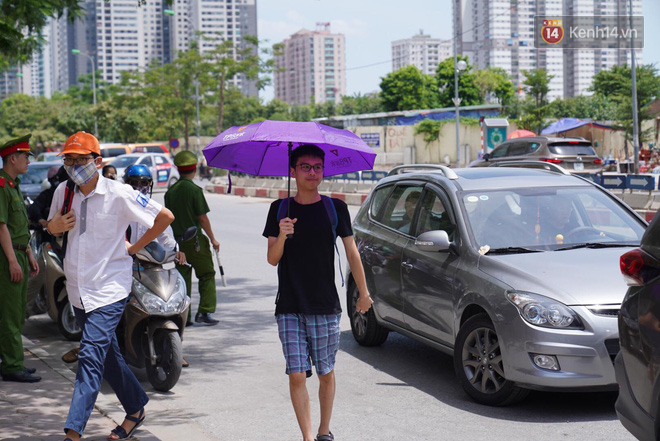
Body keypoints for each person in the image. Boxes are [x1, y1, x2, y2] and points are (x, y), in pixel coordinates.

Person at [46, 132, 174, 441]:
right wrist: (55, 227)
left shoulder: (120, 193)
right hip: (78, 289)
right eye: (69, 160)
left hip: (110, 289)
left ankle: (73, 431)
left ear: (98, 162)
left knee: (90, 357)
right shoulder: (63, 191)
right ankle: (136, 407)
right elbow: (50, 226)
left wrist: (133, 248)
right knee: (107, 357)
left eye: (81, 160)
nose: (75, 166)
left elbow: (164, 217)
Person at [262, 144, 373, 441]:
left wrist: (364, 292)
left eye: (317, 167)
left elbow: (352, 252)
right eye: (305, 167)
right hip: (289, 304)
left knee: (325, 372)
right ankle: (308, 436)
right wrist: (282, 235)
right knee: (296, 373)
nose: (312, 173)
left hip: (324, 304)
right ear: (293, 171)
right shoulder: (279, 210)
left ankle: (325, 430)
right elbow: (272, 258)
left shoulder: (334, 208)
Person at [0, 134, 41, 383]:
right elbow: (2, 226)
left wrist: (29, 254)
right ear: (12, 158)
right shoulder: (2, 186)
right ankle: (12, 366)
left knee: (17, 312)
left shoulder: (13, 186)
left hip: (19, 253)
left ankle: (12, 360)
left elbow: (19, 227)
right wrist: (13, 261)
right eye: (25, 156)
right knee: (11, 314)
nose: (28, 160)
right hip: (8, 257)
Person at [165, 150, 220, 326]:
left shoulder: (170, 192)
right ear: (194, 169)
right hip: (196, 241)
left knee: (182, 278)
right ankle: (204, 311)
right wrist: (213, 239)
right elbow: (202, 218)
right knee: (207, 274)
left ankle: (184, 316)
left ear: (178, 169)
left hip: (179, 242)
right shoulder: (194, 190)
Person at [28, 165, 68, 232]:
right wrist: (40, 219)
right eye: (55, 179)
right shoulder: (48, 194)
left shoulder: (75, 194)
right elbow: (34, 207)